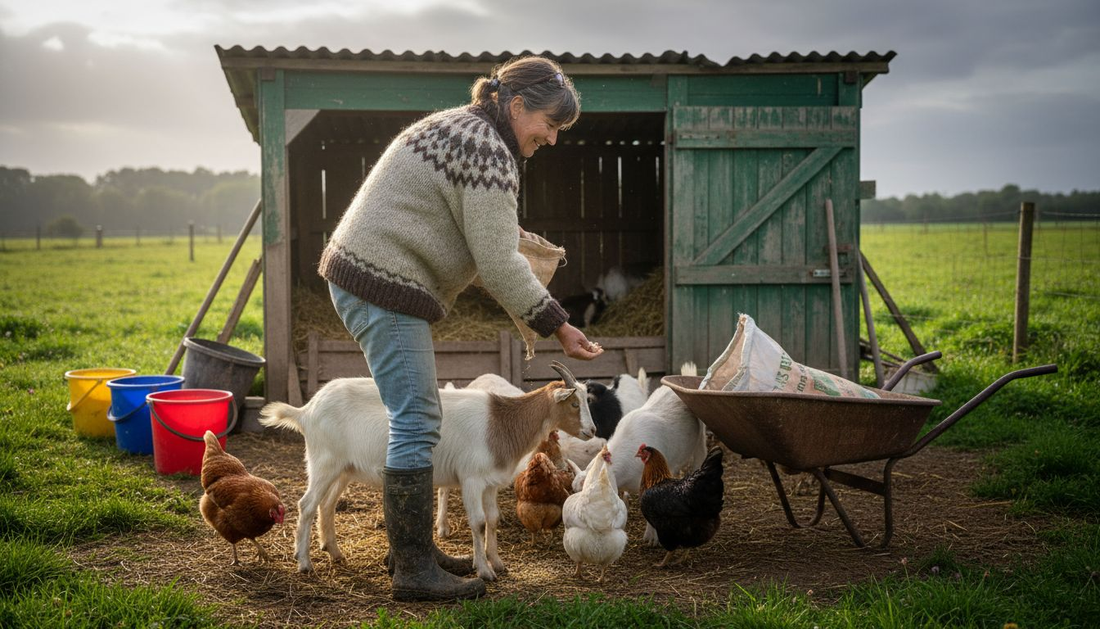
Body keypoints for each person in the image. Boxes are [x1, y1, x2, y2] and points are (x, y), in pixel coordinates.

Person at [317, 55, 602, 601]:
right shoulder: (487, 151)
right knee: (419, 418)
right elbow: (496, 264)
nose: (553, 139)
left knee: (414, 415)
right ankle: (413, 569)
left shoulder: (462, 128)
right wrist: (559, 324)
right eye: (550, 125)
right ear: (517, 106)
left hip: (366, 276)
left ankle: (408, 551)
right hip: (380, 284)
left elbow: (463, 222)